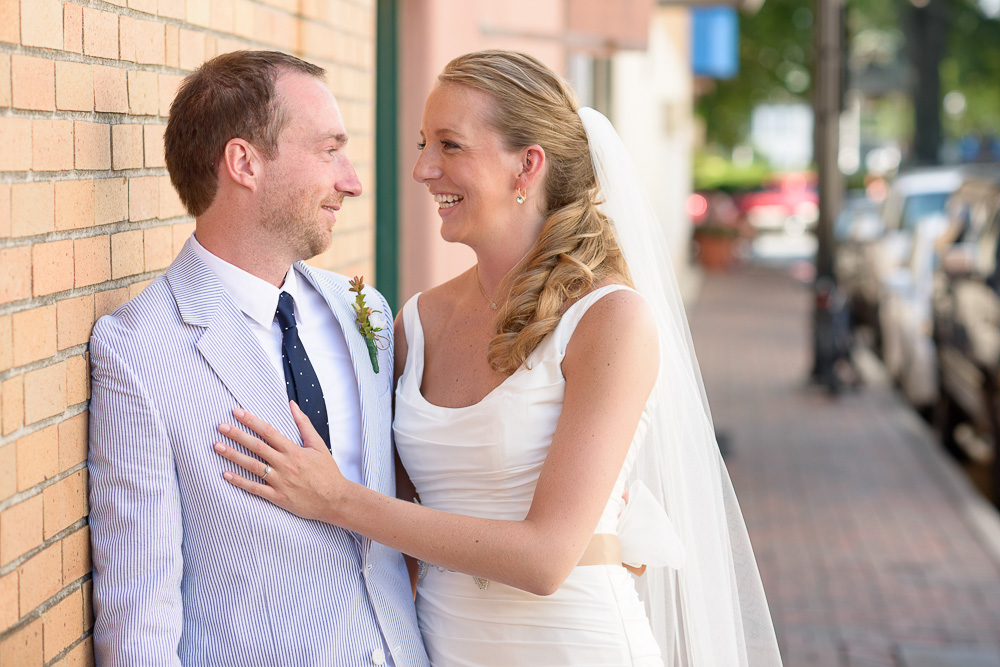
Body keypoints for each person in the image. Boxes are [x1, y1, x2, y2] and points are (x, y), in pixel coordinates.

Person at [214, 50, 783, 666]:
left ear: (526, 166)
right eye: (423, 143)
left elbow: (544, 560)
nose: (423, 169)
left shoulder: (609, 321)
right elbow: (402, 532)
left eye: (451, 145)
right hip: (441, 645)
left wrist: (336, 498)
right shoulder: (416, 323)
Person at [87, 50, 428, 666]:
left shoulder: (364, 313)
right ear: (244, 163)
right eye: (328, 152)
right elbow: (141, 611)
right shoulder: (139, 352)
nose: (351, 180)